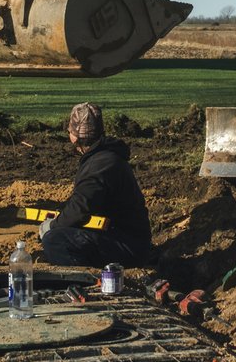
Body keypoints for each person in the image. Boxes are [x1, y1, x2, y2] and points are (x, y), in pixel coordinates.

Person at [38, 103, 154, 268]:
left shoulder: (97, 166)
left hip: (128, 247)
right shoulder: (107, 157)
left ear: (75, 136)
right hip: (130, 239)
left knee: (55, 241)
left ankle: (85, 282)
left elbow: (80, 209)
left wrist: (52, 226)